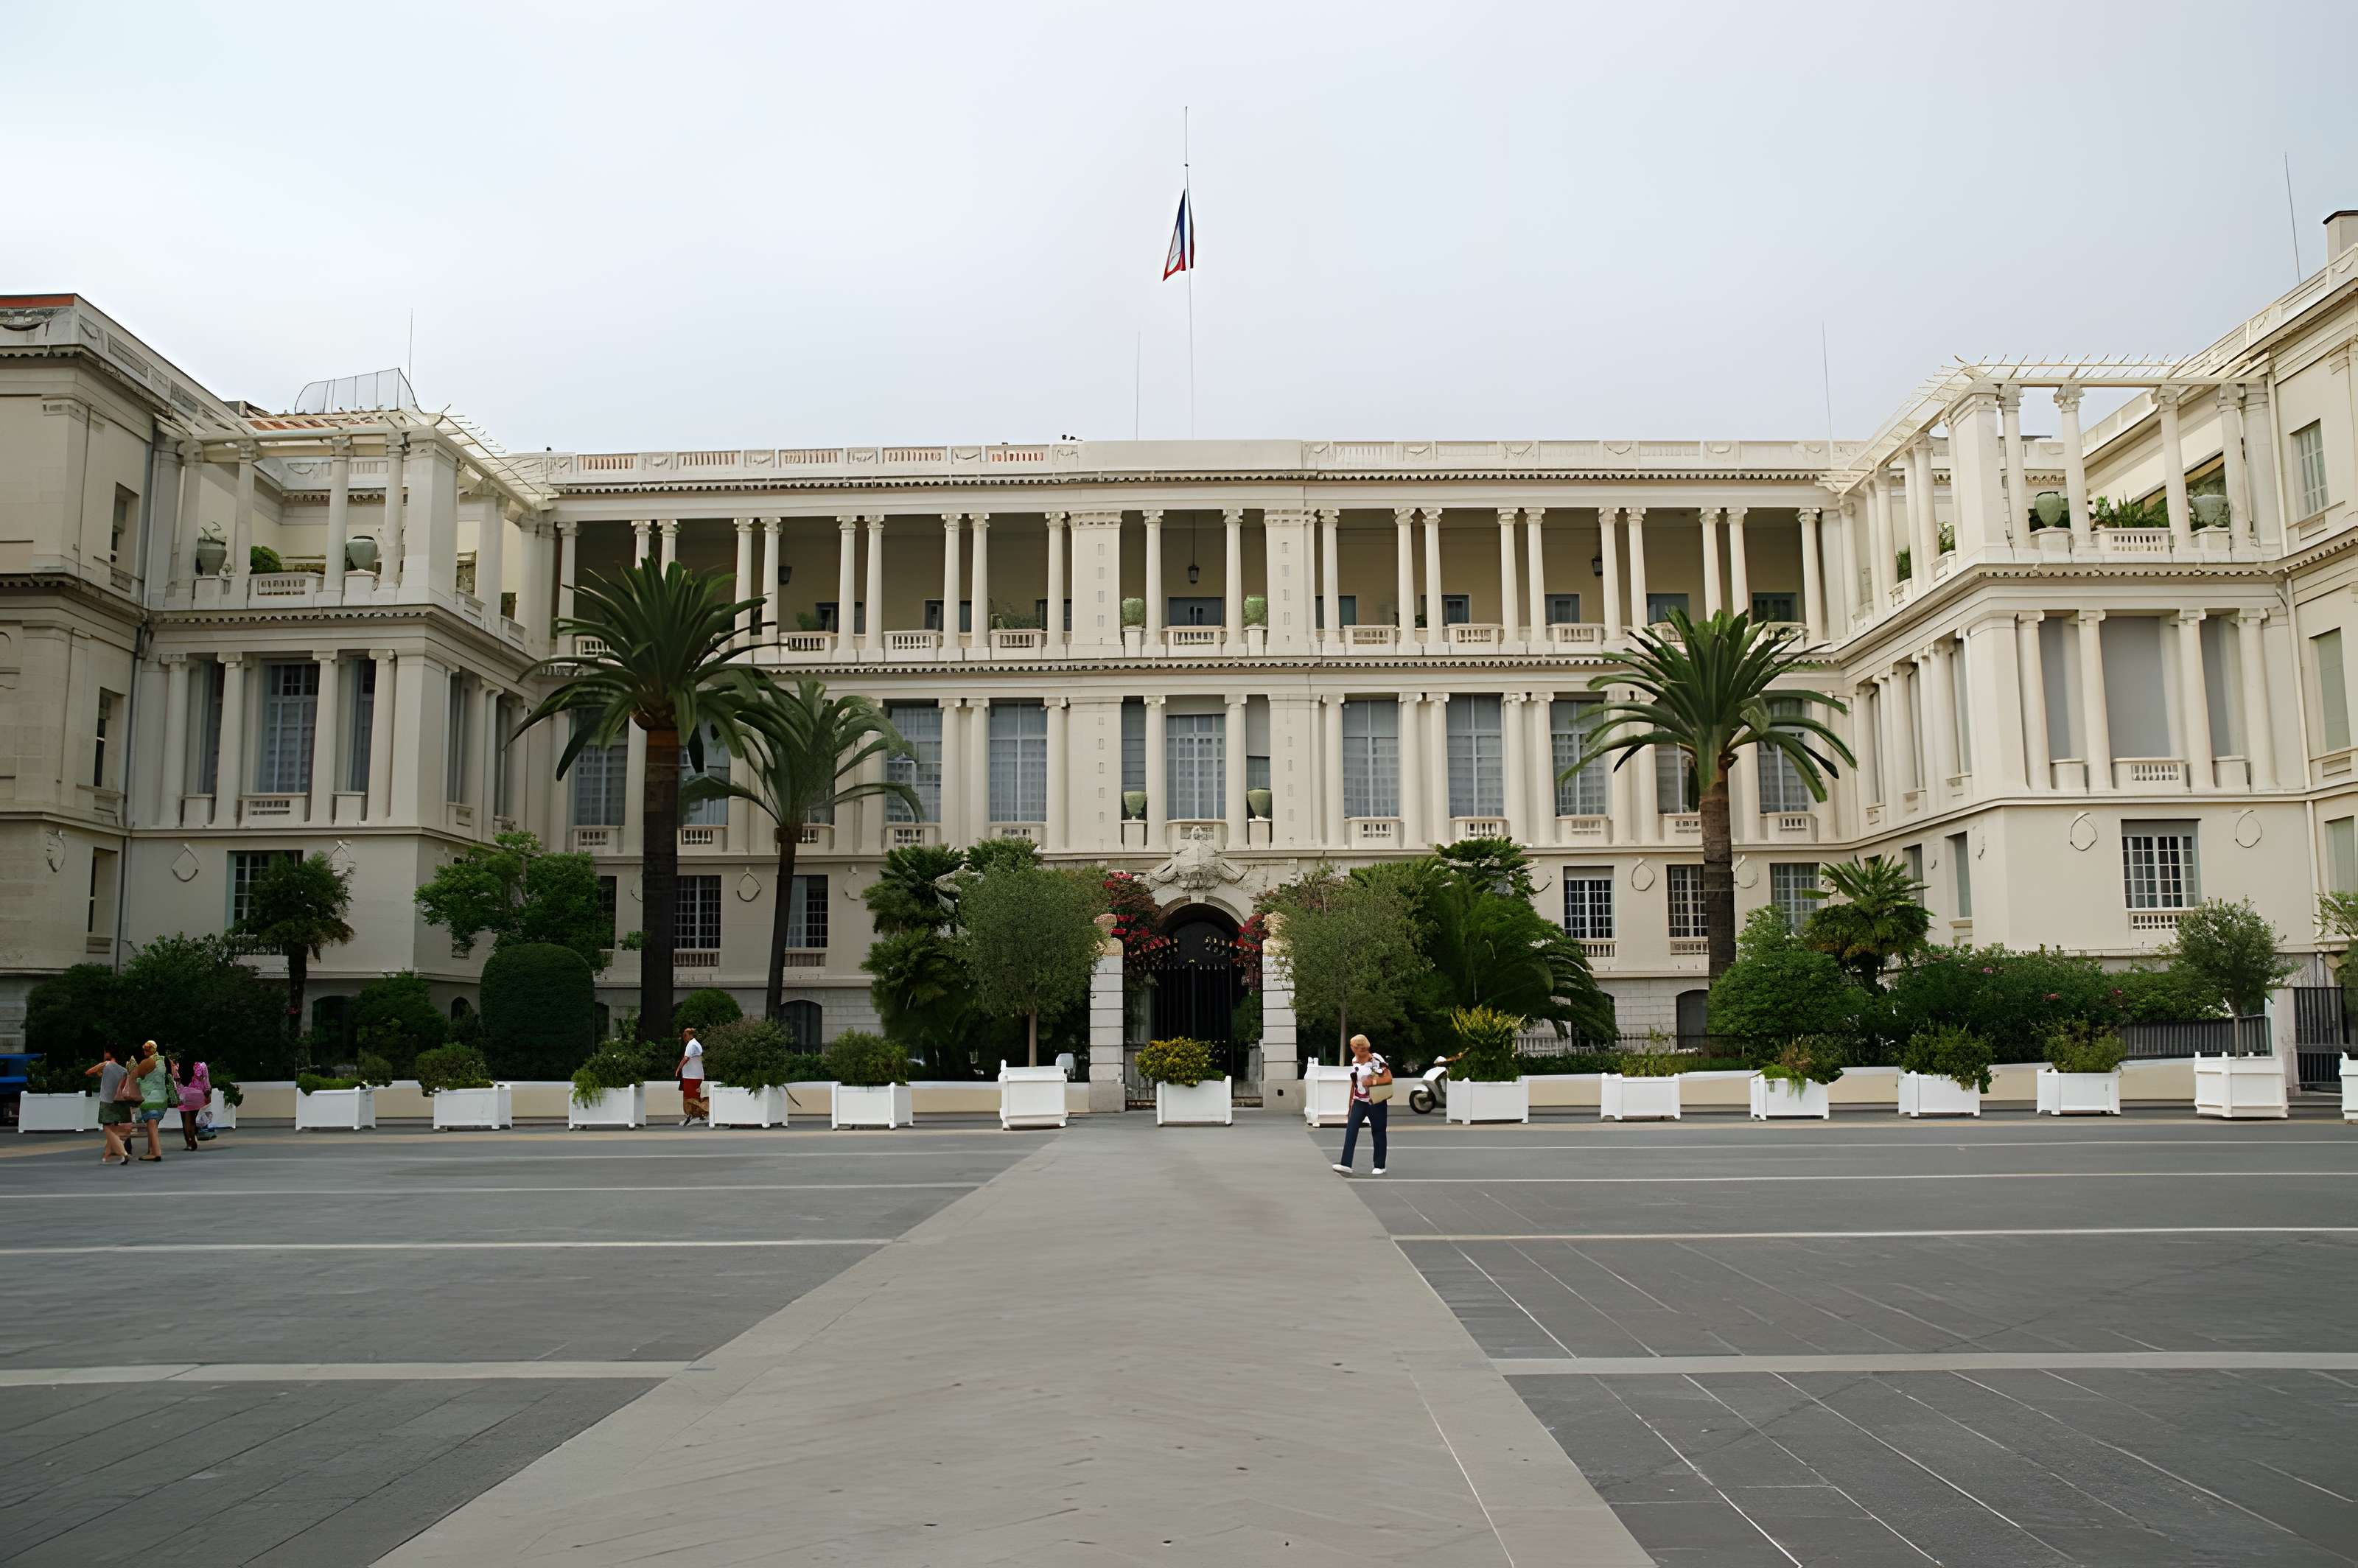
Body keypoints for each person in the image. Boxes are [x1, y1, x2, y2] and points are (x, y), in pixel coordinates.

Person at [1332, 1033, 1390, 1177]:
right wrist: (1350, 1103)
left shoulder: (1376, 1060)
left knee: (1378, 1132)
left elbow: (1388, 1078)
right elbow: (1354, 1083)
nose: (1360, 1050)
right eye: (1357, 1047)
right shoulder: (1354, 1061)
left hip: (1375, 1101)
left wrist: (1372, 1082)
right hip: (1359, 1101)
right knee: (1351, 1130)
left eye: (1363, 1047)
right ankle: (1346, 1164)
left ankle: (1379, 1165)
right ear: (1353, 1048)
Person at [86, 1045, 132, 1165]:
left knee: (108, 1129)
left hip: (107, 1102)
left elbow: (89, 1072)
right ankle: (107, 1155)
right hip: (119, 1103)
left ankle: (123, 1153)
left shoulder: (105, 1065)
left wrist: (99, 1072)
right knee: (113, 1129)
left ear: (108, 1054)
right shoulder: (124, 1070)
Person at [128, 1040, 169, 1161]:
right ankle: (151, 1150)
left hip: (151, 1098)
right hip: (162, 1097)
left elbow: (137, 1075)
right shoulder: (162, 1061)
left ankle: (156, 1153)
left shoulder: (148, 1062)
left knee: (152, 1126)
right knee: (154, 1125)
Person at [175, 1059, 211, 1153]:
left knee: (185, 1121)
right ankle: (192, 1138)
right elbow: (205, 1081)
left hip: (183, 1095)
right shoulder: (201, 1065)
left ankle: (189, 1142)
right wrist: (207, 1093)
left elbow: (176, 1082)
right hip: (197, 1095)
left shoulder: (177, 1066)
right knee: (192, 1120)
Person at [676, 1028, 706, 1126]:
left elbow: (686, 1058)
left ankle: (694, 1116)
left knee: (690, 1097)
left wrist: (678, 1069)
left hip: (692, 1076)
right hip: (694, 1075)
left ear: (689, 1035)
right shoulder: (695, 1044)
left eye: (685, 1035)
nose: (684, 1038)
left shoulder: (691, 1044)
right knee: (694, 1096)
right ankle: (697, 1116)